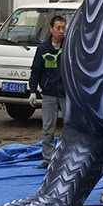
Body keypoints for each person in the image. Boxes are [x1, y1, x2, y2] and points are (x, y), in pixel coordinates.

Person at [28, 16, 67, 168]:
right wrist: (32, 91)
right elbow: (36, 71)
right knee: (48, 128)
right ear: (51, 29)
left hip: (66, 94)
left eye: (63, 28)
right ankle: (47, 159)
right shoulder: (43, 49)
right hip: (49, 94)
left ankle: (66, 157)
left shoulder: (70, 47)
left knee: (71, 127)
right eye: (58, 28)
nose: (61, 31)